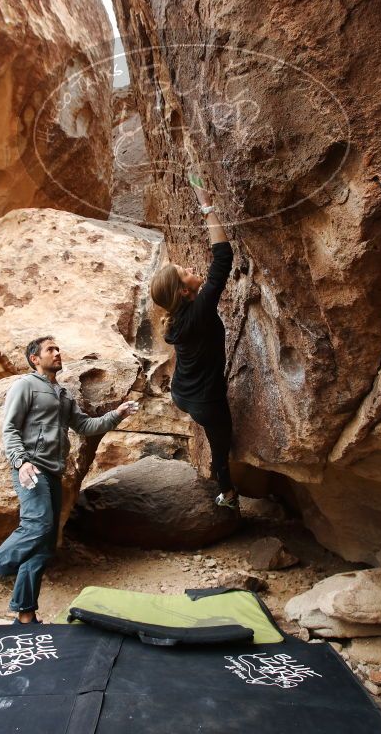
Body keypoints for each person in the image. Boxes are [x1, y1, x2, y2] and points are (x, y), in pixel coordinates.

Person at [0, 335, 139, 626]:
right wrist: (20, 461)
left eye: (58, 348)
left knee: (44, 544)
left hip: (52, 473)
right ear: (35, 359)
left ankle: (25, 614)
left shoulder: (62, 394)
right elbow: (10, 427)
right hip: (31, 468)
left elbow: (85, 426)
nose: (57, 352)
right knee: (36, 526)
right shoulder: (25, 385)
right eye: (51, 349)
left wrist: (117, 414)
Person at [150, 174, 238, 510]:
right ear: (184, 292)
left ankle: (225, 487)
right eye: (184, 272)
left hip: (184, 394)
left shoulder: (182, 317)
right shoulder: (199, 311)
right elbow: (223, 258)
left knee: (217, 436)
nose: (189, 267)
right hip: (202, 400)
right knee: (221, 444)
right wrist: (206, 205)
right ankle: (228, 494)